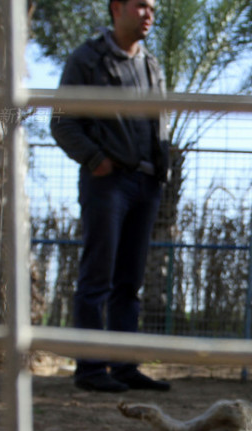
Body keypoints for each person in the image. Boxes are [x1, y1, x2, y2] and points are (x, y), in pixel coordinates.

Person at [50, 0, 172, 392]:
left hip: (147, 183)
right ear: (117, 8)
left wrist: (162, 170)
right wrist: (96, 160)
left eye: (153, 8)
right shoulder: (86, 59)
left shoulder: (151, 64)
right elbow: (62, 122)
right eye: (141, 5)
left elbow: (159, 121)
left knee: (130, 281)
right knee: (97, 277)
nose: (149, 14)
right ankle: (90, 369)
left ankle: (124, 366)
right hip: (107, 182)